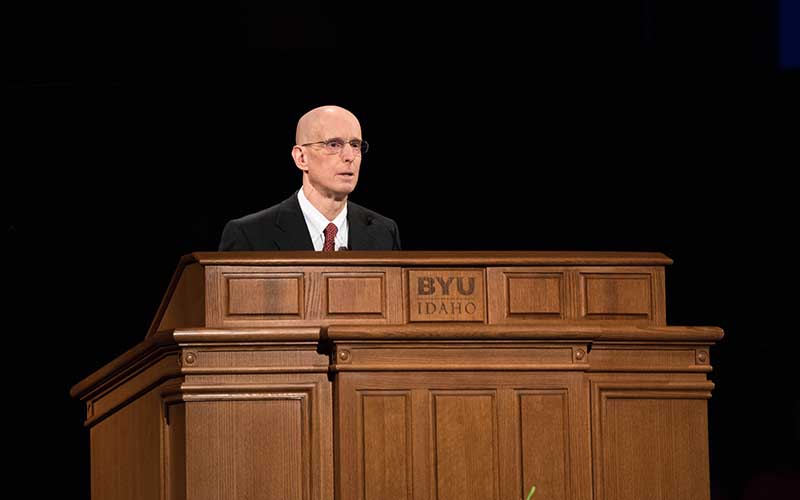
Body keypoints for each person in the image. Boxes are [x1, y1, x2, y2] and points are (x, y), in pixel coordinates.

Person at [219, 105, 401, 251]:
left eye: (355, 145)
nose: (349, 156)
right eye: (334, 144)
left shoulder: (384, 232)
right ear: (301, 158)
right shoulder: (249, 235)